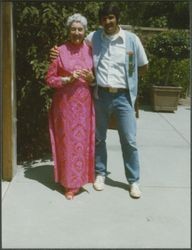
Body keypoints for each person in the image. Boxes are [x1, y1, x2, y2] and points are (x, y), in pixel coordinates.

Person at [50, 3, 148, 199]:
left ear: (117, 18)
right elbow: (74, 40)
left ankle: (134, 181)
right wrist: (55, 51)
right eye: (104, 18)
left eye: (111, 17)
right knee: (99, 138)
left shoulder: (132, 40)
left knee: (129, 140)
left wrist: (130, 84)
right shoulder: (94, 37)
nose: (108, 21)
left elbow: (142, 66)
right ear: (101, 21)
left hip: (123, 96)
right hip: (100, 95)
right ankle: (100, 173)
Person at [45, 13, 95, 200]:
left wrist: (91, 79)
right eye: (73, 29)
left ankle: (82, 179)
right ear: (68, 30)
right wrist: (67, 79)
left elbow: (95, 78)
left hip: (84, 105)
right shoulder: (59, 51)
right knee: (67, 143)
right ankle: (69, 183)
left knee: (82, 143)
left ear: (84, 31)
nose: (76, 32)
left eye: (80, 29)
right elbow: (49, 79)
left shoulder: (90, 51)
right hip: (65, 106)